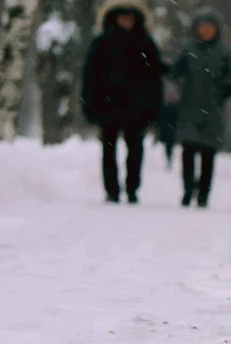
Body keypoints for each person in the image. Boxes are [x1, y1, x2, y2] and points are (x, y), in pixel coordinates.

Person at [81, 0, 165, 204]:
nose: (126, 21)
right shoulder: (101, 43)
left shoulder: (145, 43)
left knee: (135, 149)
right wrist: (91, 102)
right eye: (122, 16)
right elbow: (90, 76)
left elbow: (154, 78)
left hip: (136, 107)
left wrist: (153, 106)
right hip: (108, 105)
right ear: (114, 18)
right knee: (109, 150)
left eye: (130, 17)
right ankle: (112, 190)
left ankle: (132, 188)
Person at [169, 7, 231, 208]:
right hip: (189, 107)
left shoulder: (225, 52)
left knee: (208, 154)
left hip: (213, 110)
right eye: (203, 27)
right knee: (188, 151)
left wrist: (229, 88)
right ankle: (186, 190)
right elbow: (175, 71)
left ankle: (203, 193)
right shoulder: (188, 49)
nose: (206, 31)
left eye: (210, 28)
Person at [156, 78, 179, 170]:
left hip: (171, 130)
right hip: (169, 129)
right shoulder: (166, 109)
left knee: (169, 145)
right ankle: (169, 159)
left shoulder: (173, 109)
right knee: (168, 146)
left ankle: (169, 159)